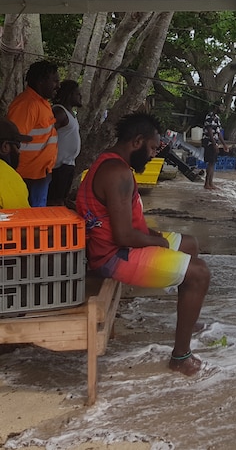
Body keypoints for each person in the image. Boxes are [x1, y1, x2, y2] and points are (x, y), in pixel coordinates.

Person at [75, 113, 211, 376]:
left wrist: (152, 235)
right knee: (199, 273)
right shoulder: (117, 173)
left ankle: (187, 319)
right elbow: (123, 237)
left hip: (115, 245)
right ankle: (180, 357)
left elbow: (124, 221)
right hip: (113, 256)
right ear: (137, 142)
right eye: (151, 148)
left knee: (190, 244)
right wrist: (157, 241)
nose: (152, 155)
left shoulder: (112, 161)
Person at [7, 60, 60, 207]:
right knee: (31, 219)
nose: (58, 86)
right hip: (27, 175)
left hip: (40, 173)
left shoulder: (41, 103)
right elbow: (12, 138)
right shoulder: (27, 104)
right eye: (54, 81)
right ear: (41, 81)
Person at [47, 80, 83, 206]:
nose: (80, 97)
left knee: (61, 198)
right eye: (77, 94)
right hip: (58, 166)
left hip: (67, 164)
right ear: (69, 95)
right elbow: (47, 134)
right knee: (55, 200)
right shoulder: (59, 112)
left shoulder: (70, 114)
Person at [202, 105, 228, 190]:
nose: (223, 109)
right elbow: (210, 132)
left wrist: (224, 144)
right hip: (209, 142)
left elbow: (218, 132)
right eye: (221, 107)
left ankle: (210, 183)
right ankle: (207, 183)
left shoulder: (217, 118)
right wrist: (214, 144)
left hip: (215, 142)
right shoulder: (209, 116)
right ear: (216, 107)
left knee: (213, 162)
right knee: (210, 162)